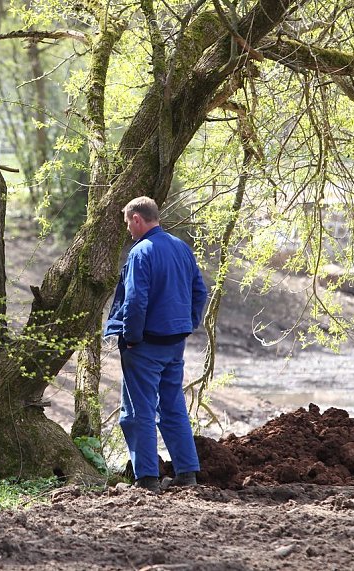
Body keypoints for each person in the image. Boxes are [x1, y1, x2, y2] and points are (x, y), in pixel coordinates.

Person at [104, 196, 208, 492]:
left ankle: (146, 478)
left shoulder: (141, 252)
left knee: (138, 410)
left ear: (137, 218)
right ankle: (187, 473)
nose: (128, 230)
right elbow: (199, 291)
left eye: (127, 223)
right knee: (173, 406)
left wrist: (132, 337)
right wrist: (186, 324)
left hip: (145, 344)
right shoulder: (181, 248)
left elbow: (136, 300)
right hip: (174, 343)